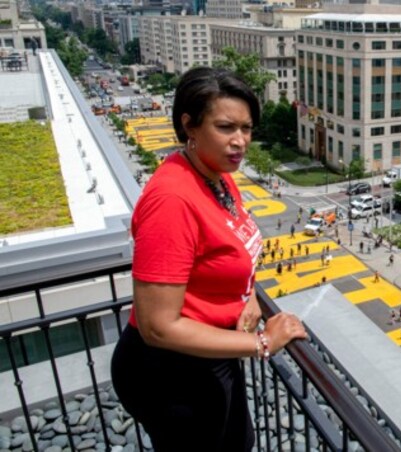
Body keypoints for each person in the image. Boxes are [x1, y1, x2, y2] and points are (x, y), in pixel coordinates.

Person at [111, 67, 307, 452]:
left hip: (210, 351)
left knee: (239, 442)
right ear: (190, 126)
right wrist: (264, 343)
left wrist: (245, 294)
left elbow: (229, 248)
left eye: (247, 128)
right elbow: (158, 327)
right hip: (169, 370)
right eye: (225, 127)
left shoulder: (217, 174)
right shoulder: (173, 200)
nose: (240, 141)